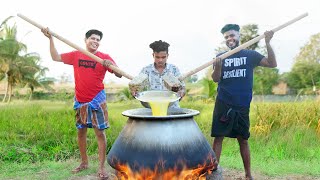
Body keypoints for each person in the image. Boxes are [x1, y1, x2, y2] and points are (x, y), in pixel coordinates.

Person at [41, 28, 122, 179]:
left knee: (100, 133)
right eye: (92, 38)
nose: (95, 41)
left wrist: (111, 65)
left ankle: (101, 167)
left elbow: (119, 74)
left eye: (98, 40)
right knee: (81, 131)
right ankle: (84, 162)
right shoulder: (76, 54)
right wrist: (50, 39)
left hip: (97, 100)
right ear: (85, 40)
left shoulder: (104, 57)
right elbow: (55, 57)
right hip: (80, 101)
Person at [211, 24, 277, 180]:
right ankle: (214, 174)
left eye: (232, 35)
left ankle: (248, 175)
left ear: (239, 36)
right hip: (223, 102)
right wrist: (218, 66)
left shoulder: (250, 55)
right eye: (226, 37)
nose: (230, 39)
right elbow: (215, 79)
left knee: (243, 139)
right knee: (218, 138)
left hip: (241, 105)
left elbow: (272, 64)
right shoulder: (220, 56)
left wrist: (267, 43)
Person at [135, 40, 186, 108]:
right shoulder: (146, 70)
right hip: (152, 110)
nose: (160, 60)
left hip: (172, 109)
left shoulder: (174, 69)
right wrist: (135, 90)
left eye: (163, 57)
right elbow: (138, 88)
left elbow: (183, 88)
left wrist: (181, 91)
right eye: (157, 57)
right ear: (153, 55)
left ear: (167, 56)